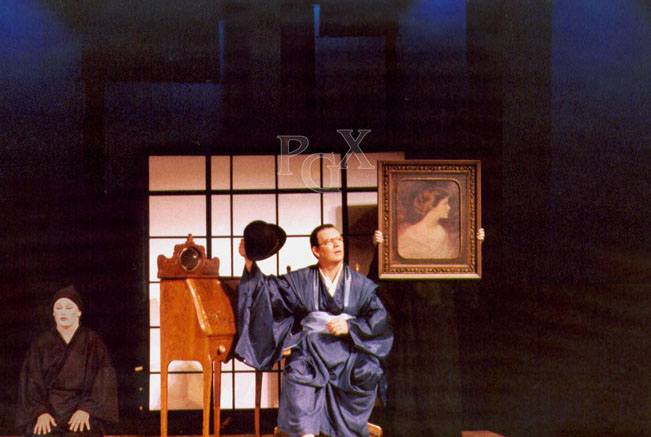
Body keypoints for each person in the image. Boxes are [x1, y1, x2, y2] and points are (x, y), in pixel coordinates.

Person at [235, 224, 393, 437]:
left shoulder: (360, 284)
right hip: (310, 350)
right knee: (297, 372)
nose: (337, 244)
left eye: (339, 240)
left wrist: (350, 326)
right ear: (316, 250)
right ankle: (306, 433)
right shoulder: (300, 280)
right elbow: (267, 292)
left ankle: (349, 430)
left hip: (349, 351)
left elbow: (379, 318)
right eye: (329, 241)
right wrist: (249, 261)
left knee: (367, 370)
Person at [16, 285, 119, 437]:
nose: (63, 312)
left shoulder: (92, 342)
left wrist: (86, 409)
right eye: (58, 308)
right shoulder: (41, 344)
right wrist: (40, 412)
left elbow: (103, 381)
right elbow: (31, 382)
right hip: (50, 412)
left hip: (82, 410)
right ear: (53, 312)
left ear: (79, 312)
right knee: (40, 433)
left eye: (69, 307)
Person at [397, 181, 459, 259]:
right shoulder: (411, 234)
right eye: (445, 204)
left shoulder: (441, 231)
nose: (449, 207)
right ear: (432, 206)